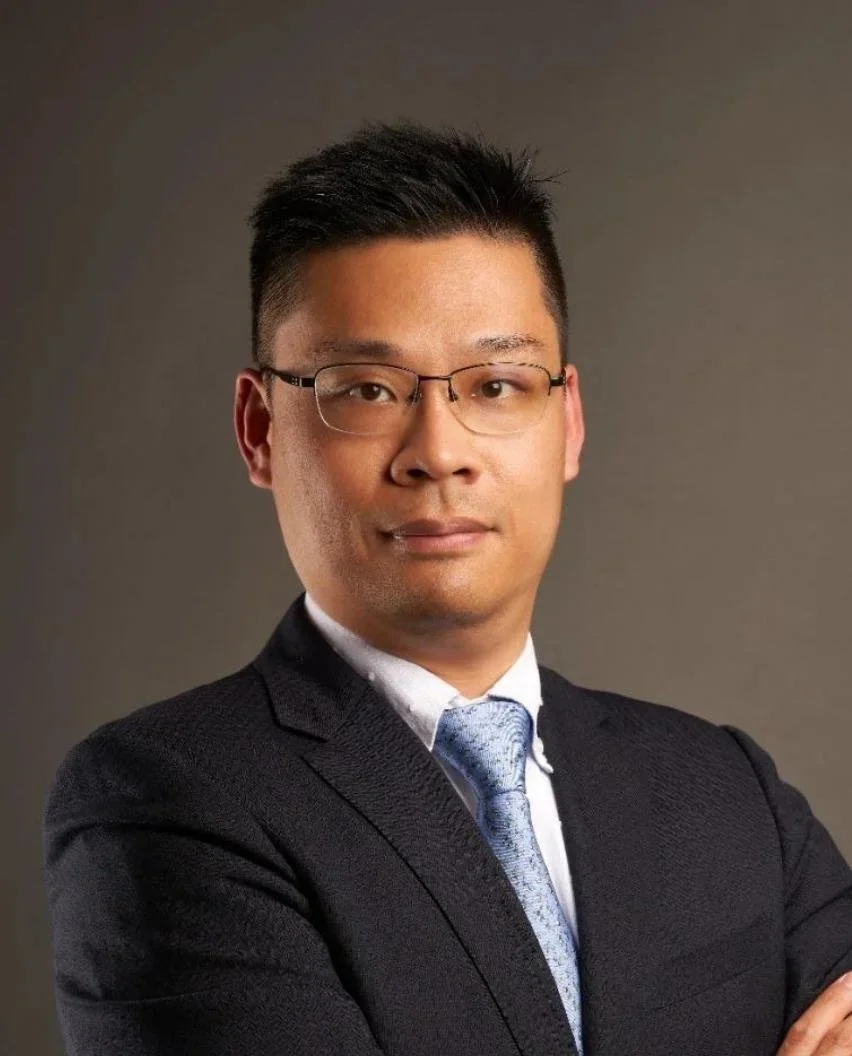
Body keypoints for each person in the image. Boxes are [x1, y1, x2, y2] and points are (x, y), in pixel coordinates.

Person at [43, 122, 852, 1056]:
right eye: (367, 390)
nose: (438, 453)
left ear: (569, 422)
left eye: (498, 386)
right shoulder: (166, 801)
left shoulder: (722, 789)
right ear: (261, 429)